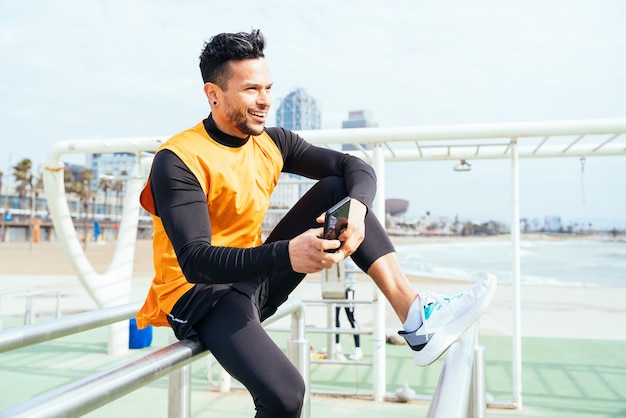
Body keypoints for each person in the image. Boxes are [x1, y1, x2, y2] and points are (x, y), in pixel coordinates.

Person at [135, 29, 496, 418]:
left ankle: (416, 317)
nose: (264, 101)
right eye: (251, 90)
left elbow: (354, 166)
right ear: (213, 94)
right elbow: (196, 261)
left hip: (251, 281)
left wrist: (356, 207)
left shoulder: (272, 142)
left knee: (340, 187)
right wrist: (287, 253)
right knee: (286, 394)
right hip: (197, 296)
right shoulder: (178, 158)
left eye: (268, 88)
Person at [334, 258, 362, 361]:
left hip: (348, 289)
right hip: (336, 288)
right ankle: (337, 348)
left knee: (351, 318)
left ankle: (358, 349)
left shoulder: (349, 254)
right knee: (335, 318)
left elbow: (351, 271)